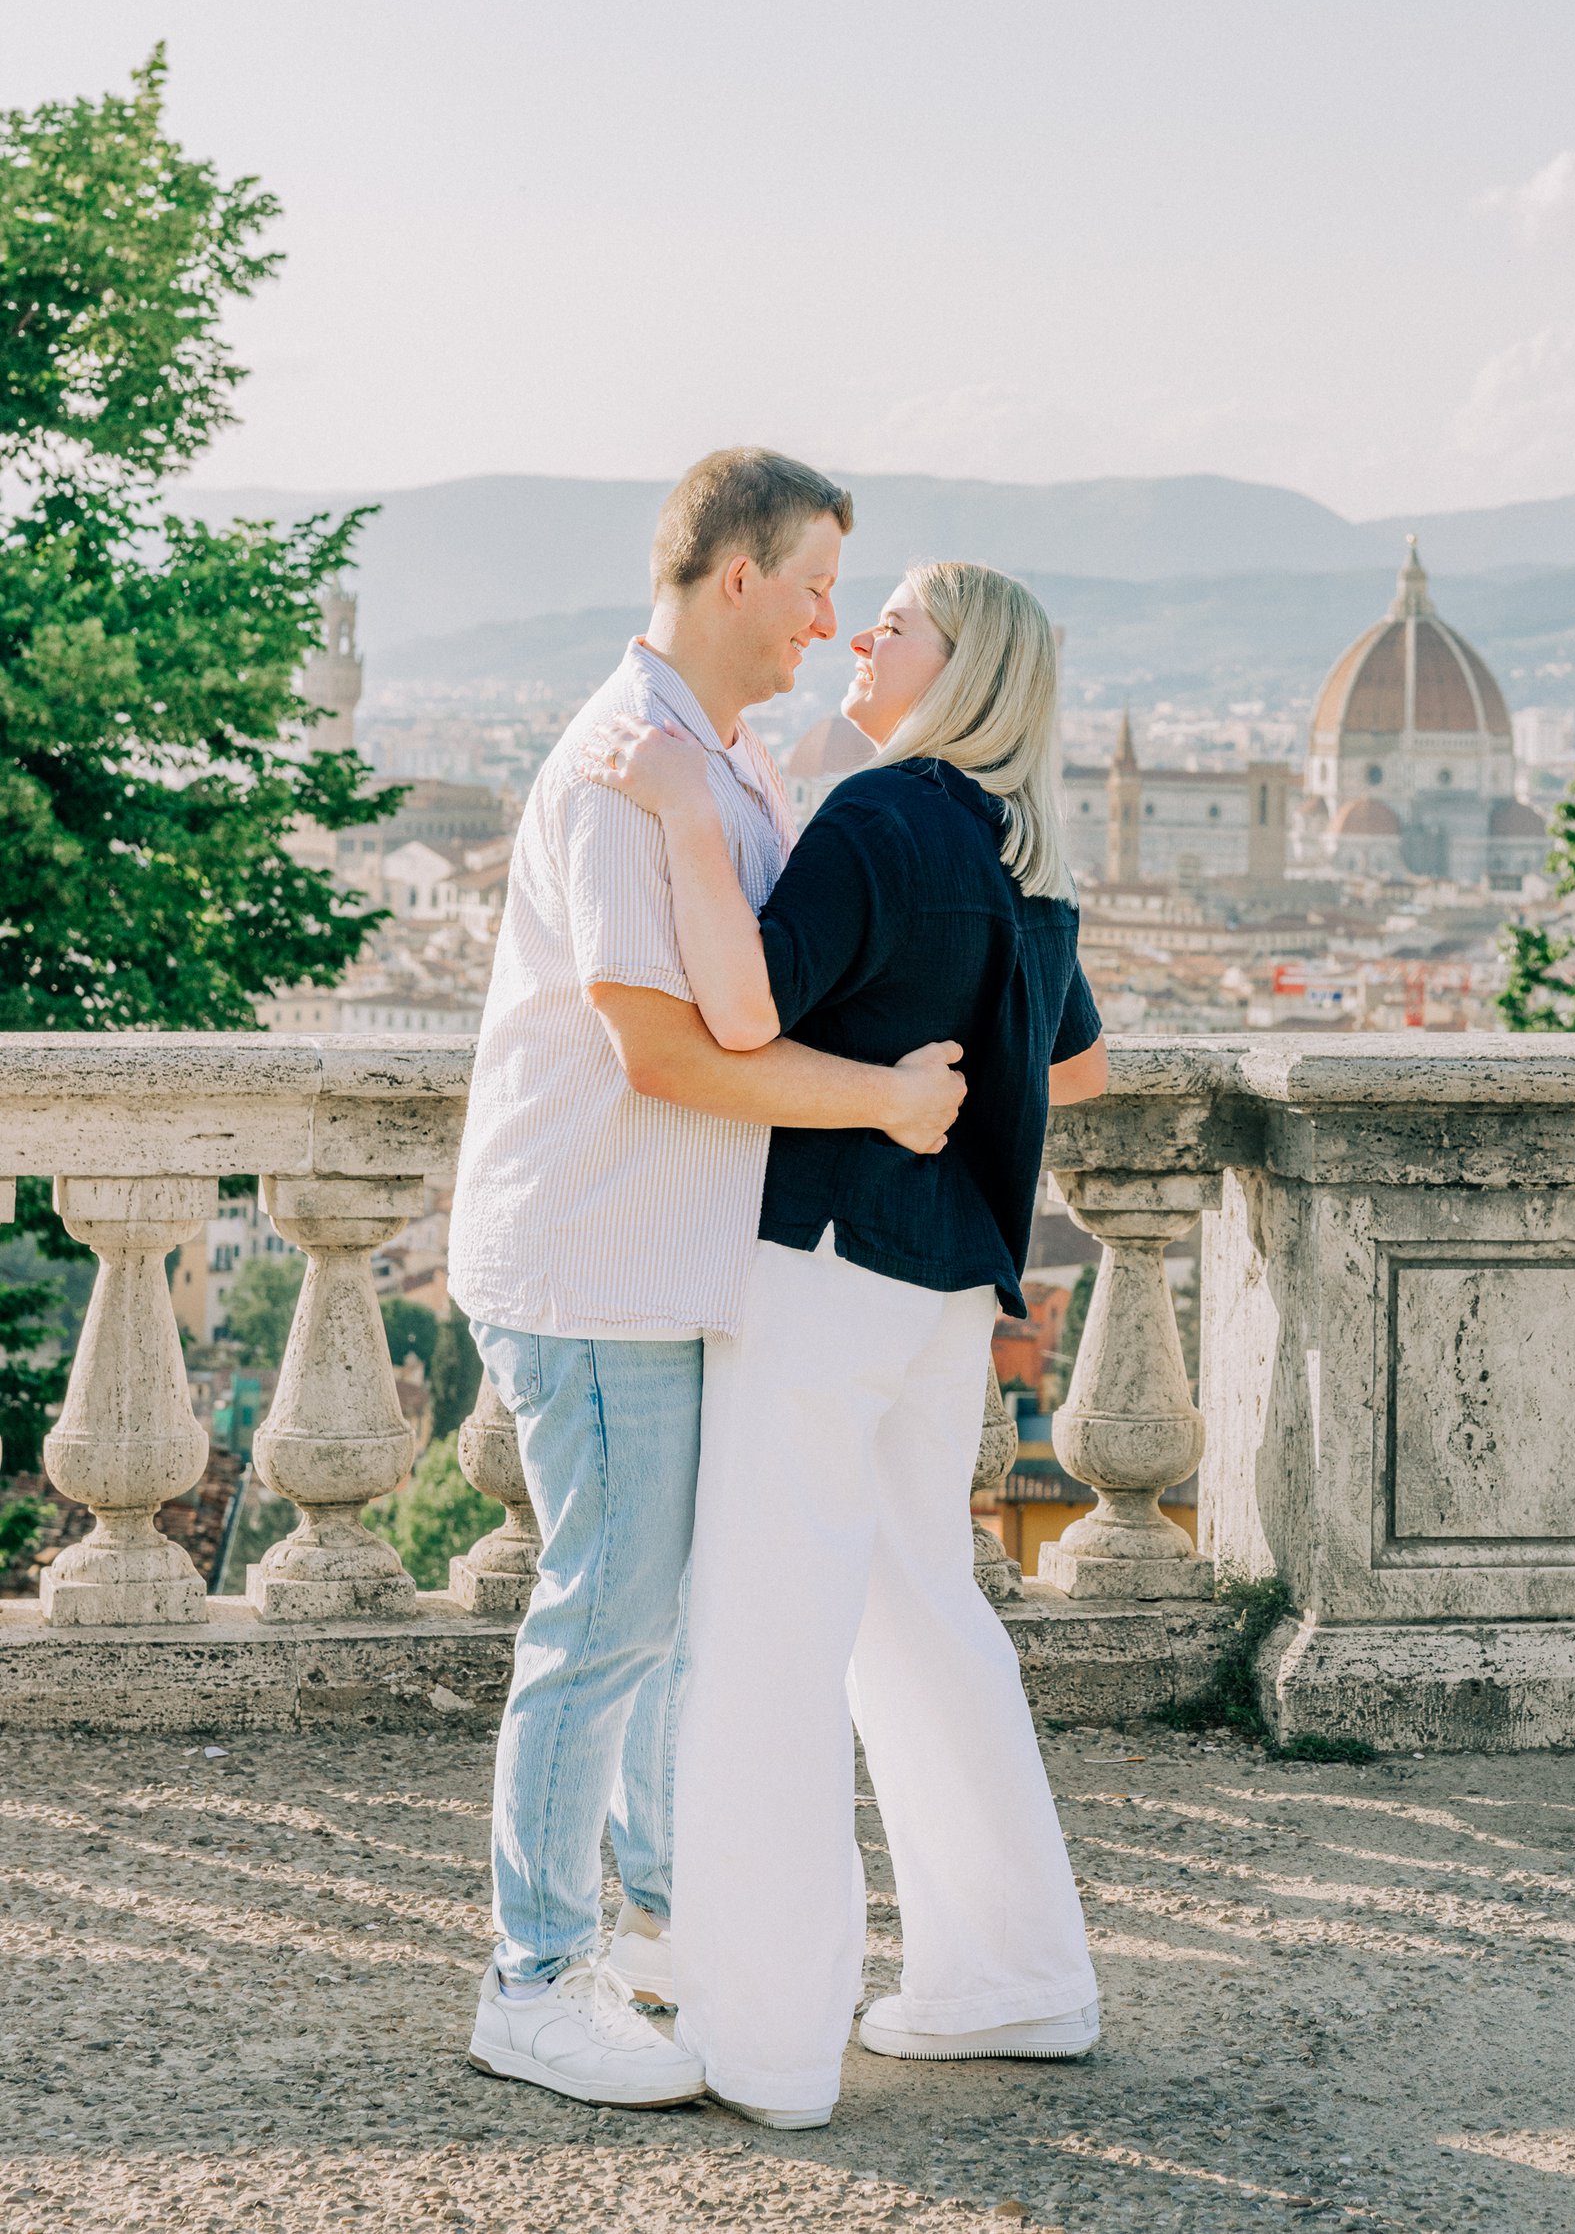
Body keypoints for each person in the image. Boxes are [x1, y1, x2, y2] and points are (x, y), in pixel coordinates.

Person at [447, 449, 967, 2110]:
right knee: (606, 1618)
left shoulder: (715, 759)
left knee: (653, 1618)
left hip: (648, 1264)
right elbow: (667, 1051)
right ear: (736, 575)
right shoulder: (630, 765)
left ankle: (660, 1929)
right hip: (594, 1262)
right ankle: (532, 1977)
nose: (828, 620)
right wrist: (882, 1101)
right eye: (813, 584)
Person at [583, 558, 1109, 2127]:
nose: (864, 637)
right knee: (920, 1616)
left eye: (898, 623)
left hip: (820, 1267)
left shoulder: (878, 816)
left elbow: (744, 1012)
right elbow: (1077, 1068)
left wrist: (685, 814)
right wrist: (934, 1090)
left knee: (769, 1639)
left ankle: (769, 2039)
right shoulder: (1018, 843)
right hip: (944, 1287)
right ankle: (1014, 1977)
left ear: (963, 668)